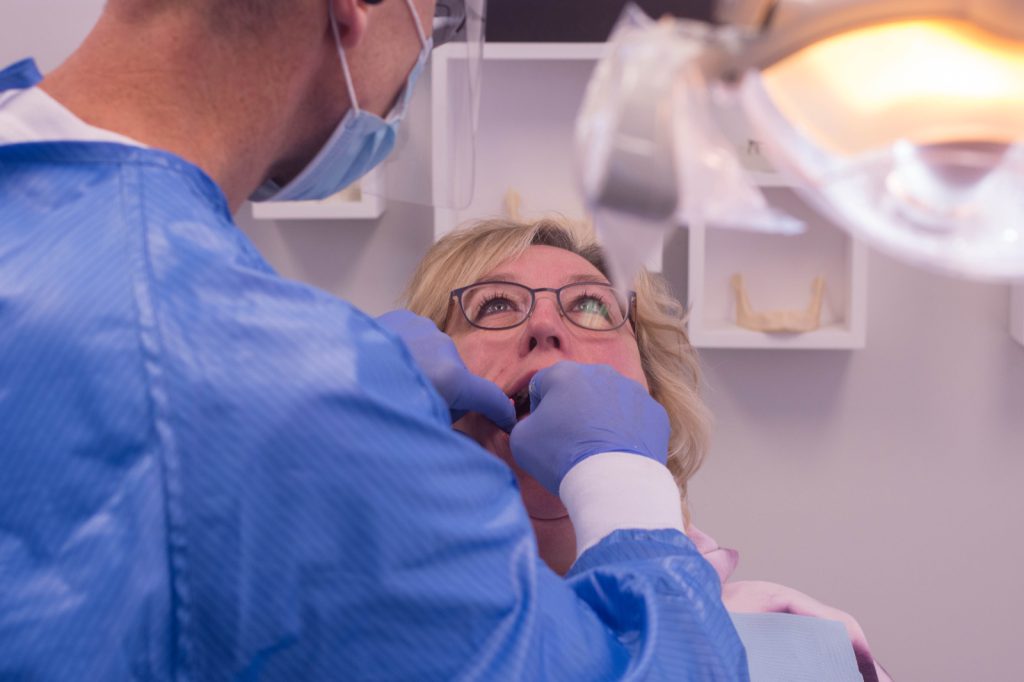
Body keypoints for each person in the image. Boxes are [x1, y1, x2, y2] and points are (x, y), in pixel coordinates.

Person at [0, 1, 749, 679]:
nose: (546, 326)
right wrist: (625, 486)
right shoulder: (285, 391)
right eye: (438, 15)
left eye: (591, 308)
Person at [405, 216, 892, 682]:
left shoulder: (809, 649)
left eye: (592, 306)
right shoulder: (367, 619)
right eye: (496, 305)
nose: (545, 326)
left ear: (650, 394)